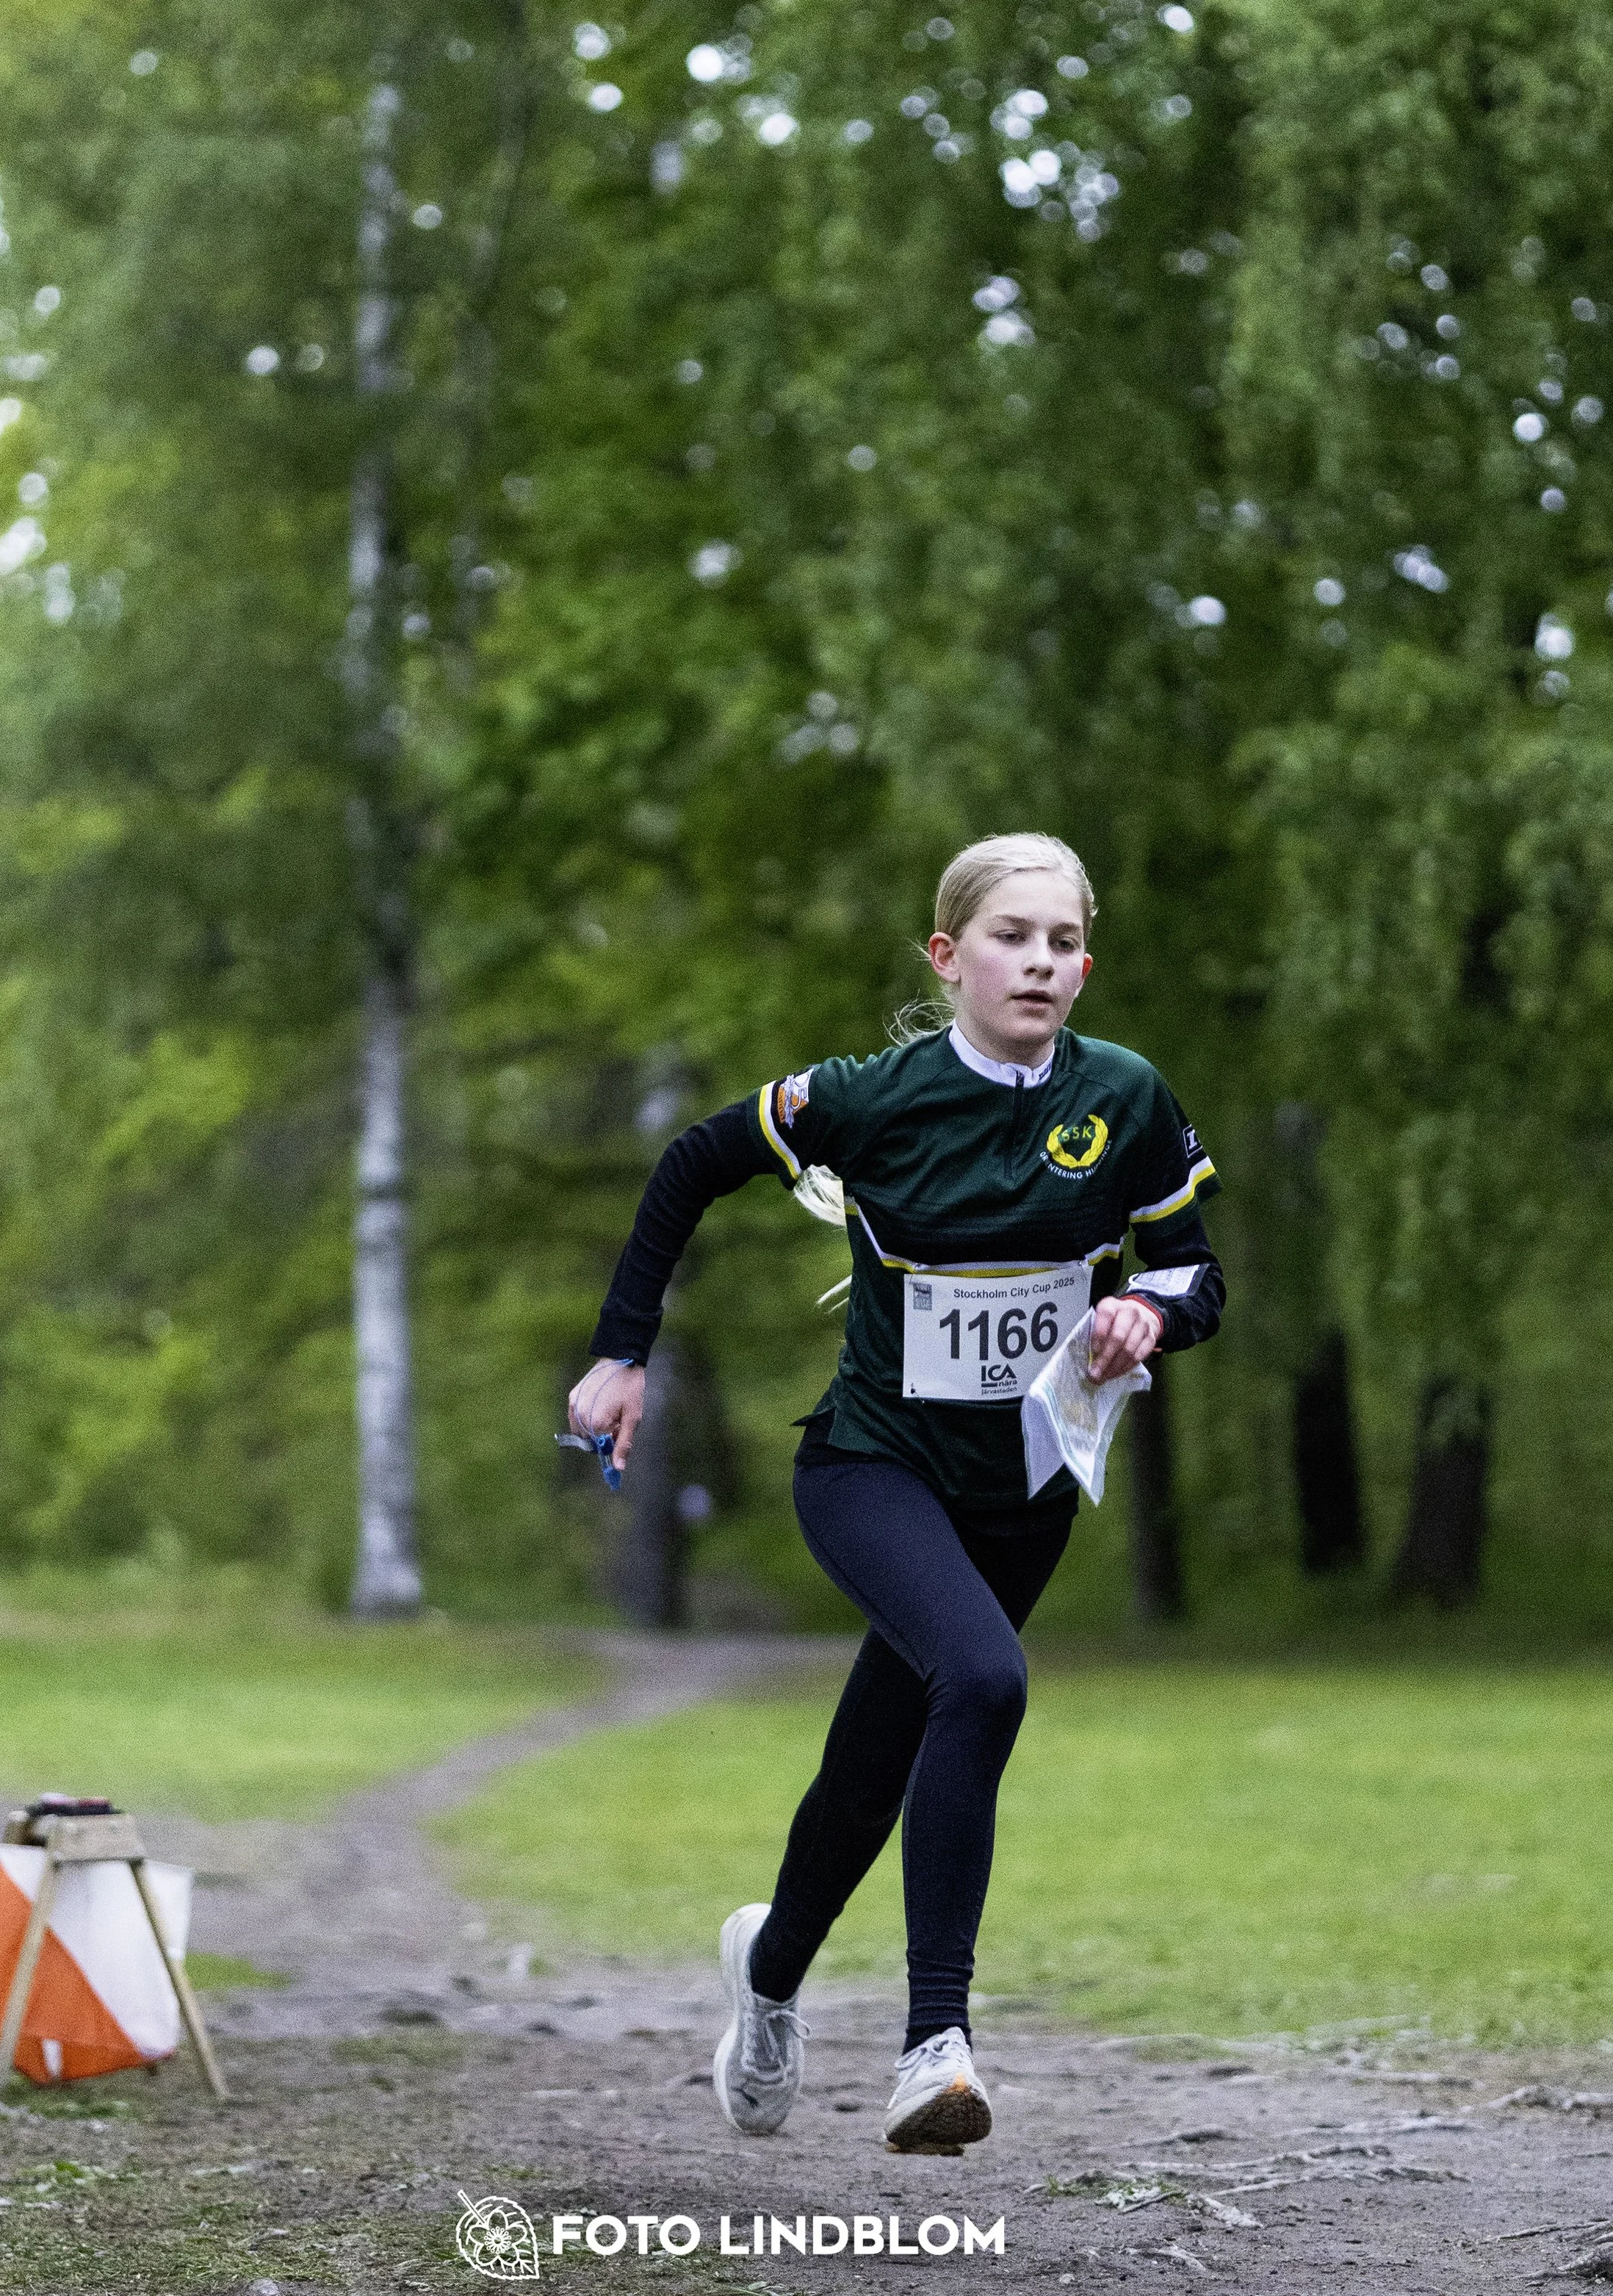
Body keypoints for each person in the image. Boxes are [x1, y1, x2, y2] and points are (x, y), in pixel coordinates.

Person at [567, 832, 1224, 2154]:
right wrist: (623, 1353)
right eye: (1009, 937)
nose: (1038, 962)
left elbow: (1194, 1268)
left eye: (1061, 942)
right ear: (949, 956)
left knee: (873, 1761)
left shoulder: (1128, 1097)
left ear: (1085, 963)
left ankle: (766, 1976)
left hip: (1026, 1486)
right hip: (871, 1465)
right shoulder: (873, 1097)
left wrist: (1150, 1317)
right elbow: (693, 1163)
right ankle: (938, 2045)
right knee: (981, 1682)